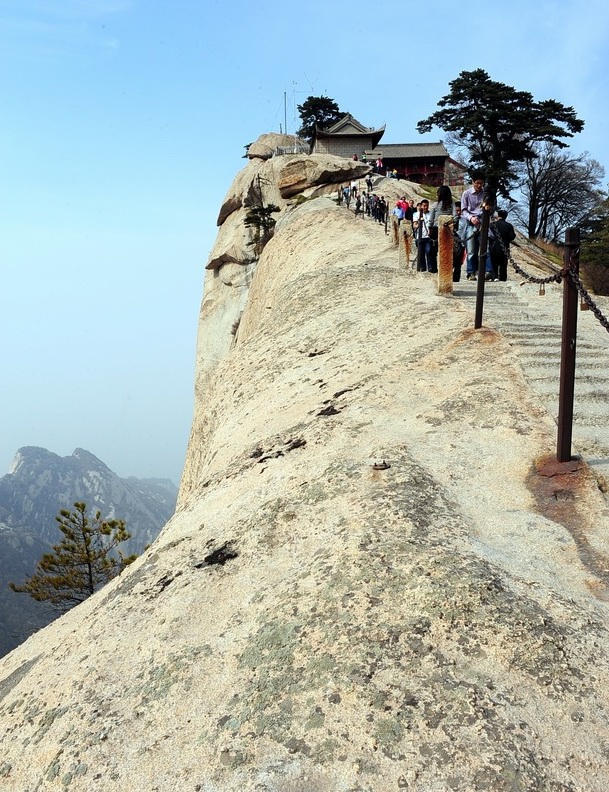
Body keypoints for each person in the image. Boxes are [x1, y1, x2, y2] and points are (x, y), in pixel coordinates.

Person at [461, 171, 492, 281]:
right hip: (471, 222)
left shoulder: (485, 193)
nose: (479, 186)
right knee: (471, 250)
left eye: (481, 183)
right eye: (477, 183)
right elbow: (463, 211)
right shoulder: (466, 194)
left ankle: (488, 271)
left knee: (485, 248)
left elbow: (490, 208)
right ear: (473, 182)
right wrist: (471, 218)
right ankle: (471, 272)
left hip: (483, 222)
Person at [429, 186, 454, 276]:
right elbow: (455, 217)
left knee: (433, 251)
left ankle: (433, 269)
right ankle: (446, 268)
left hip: (436, 229)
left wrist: (429, 227)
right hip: (448, 229)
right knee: (446, 250)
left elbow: (431, 219)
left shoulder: (435, 205)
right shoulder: (452, 205)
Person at [489, 210, 516, 281]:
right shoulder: (509, 226)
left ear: (498, 216)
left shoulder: (492, 225)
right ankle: (503, 278)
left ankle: (494, 277)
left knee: (494, 263)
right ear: (506, 216)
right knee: (503, 265)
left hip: (493, 247)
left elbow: (488, 235)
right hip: (504, 247)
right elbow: (512, 236)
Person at [412, 199, 436, 272]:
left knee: (429, 251)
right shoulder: (416, 214)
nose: (425, 207)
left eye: (427, 206)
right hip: (419, 236)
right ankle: (422, 267)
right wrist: (419, 223)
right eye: (424, 206)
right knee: (421, 253)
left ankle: (430, 267)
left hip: (428, 237)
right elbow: (414, 225)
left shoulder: (431, 214)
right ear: (421, 206)